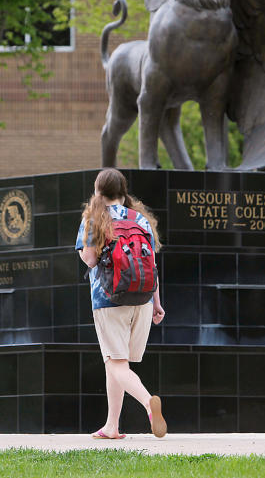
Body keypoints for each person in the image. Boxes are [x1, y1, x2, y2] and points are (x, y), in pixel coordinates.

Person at [76, 168, 167, 440]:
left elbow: (90, 260)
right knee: (114, 362)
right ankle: (111, 426)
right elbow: (151, 264)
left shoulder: (95, 218)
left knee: (117, 364)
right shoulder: (139, 218)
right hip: (143, 299)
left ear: (98, 191)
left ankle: (148, 403)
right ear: (123, 192)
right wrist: (157, 304)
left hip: (108, 299)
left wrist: (83, 251)